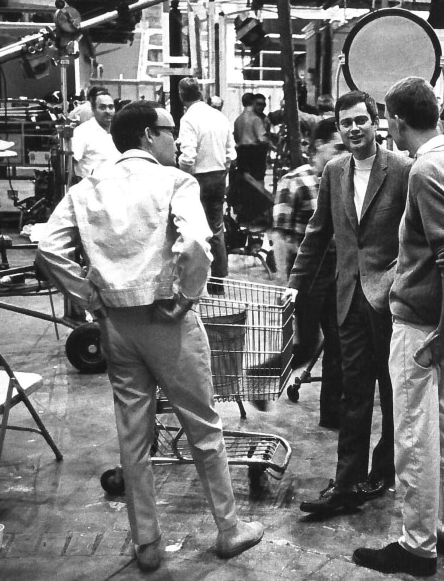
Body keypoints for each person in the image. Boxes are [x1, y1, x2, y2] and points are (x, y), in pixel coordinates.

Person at [35, 101, 264, 572]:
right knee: (203, 427)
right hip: (167, 322)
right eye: (167, 131)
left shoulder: (86, 188)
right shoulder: (174, 181)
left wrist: (91, 296)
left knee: (133, 438)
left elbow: (47, 248)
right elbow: (197, 243)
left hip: (116, 325)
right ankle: (228, 529)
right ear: (146, 134)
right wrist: (187, 294)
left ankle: (147, 545)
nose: (174, 140)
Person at [352, 76, 444, 577]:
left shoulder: (426, 171)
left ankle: (416, 545)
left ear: (396, 121)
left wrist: (441, 326)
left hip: (425, 327)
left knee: (414, 434)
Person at [286, 90, 412, 514]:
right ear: (338, 129)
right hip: (347, 299)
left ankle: (383, 471)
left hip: (391, 301)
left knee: (394, 392)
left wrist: (399, 281)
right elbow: (318, 233)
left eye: (361, 120)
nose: (354, 128)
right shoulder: (335, 172)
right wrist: (296, 284)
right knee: (354, 393)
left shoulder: (403, 170)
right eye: (346, 123)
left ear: (376, 122)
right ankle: (346, 484)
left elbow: (415, 236)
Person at [273, 118, 343, 428]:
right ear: (318, 147)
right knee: (306, 346)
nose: (343, 154)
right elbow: (281, 237)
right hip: (308, 276)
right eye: (337, 147)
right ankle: (259, 379)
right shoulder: (296, 181)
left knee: (339, 343)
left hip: (338, 272)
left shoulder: (343, 179)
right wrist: (284, 284)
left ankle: (332, 414)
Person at [177, 77, 237, 283]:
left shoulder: (188, 120)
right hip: (219, 176)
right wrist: (223, 172)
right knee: (216, 228)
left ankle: (196, 281)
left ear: (181, 96)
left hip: (197, 178)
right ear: (201, 93)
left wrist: (181, 174)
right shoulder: (220, 117)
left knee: (194, 230)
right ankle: (218, 280)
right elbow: (231, 154)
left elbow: (188, 157)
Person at [70, 89, 121, 179]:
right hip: (91, 188)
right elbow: (73, 161)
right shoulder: (82, 131)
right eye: (102, 107)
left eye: (111, 107)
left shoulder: (120, 130)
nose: (108, 111)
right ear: (93, 109)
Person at [233, 92, 270, 181]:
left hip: (241, 153)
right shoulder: (256, 119)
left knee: (244, 181)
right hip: (255, 153)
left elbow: (236, 138)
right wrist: (270, 143)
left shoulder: (238, 120)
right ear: (253, 102)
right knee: (258, 181)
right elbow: (261, 139)